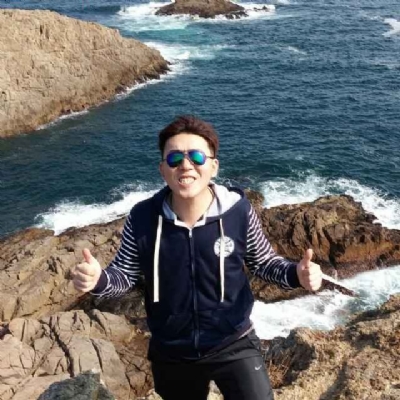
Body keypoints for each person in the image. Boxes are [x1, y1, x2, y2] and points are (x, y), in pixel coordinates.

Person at [72, 115, 322, 400]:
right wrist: (98, 279)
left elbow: (264, 263)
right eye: (175, 158)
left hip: (234, 341)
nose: (186, 165)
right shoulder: (142, 218)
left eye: (197, 157)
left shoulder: (238, 212)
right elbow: (124, 275)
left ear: (213, 166)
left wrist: (296, 274)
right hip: (172, 352)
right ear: (163, 169)